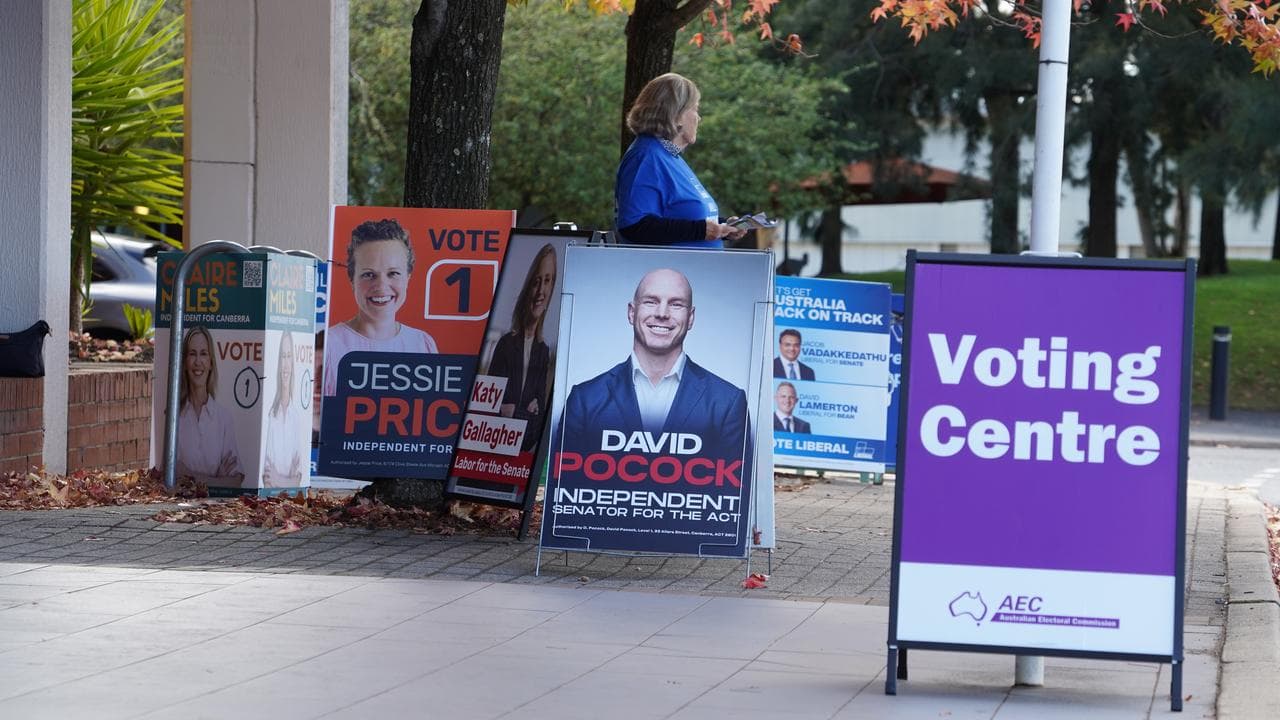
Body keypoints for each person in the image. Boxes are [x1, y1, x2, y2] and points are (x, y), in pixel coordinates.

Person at [557, 268, 749, 455]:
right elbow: (562, 477)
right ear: (632, 312)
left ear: (690, 318)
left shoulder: (728, 403)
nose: (662, 313)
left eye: (676, 304)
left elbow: (738, 483)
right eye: (651, 301)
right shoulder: (584, 400)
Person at [614, 73, 748, 249]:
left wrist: (723, 227)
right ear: (675, 114)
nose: (698, 118)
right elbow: (634, 226)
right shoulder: (646, 156)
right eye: (695, 109)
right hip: (669, 273)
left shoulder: (669, 155)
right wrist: (701, 230)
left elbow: (681, 218)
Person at [324, 218, 438, 395]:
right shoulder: (328, 346)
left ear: (408, 278)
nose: (381, 286)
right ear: (351, 279)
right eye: (369, 274)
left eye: (393, 273)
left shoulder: (423, 345)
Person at [488, 243, 557, 453]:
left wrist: (516, 413)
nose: (541, 291)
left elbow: (537, 424)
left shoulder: (543, 351)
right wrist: (524, 412)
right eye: (537, 282)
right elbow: (495, 407)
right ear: (528, 288)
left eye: (547, 281)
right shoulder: (506, 344)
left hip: (522, 454)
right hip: (495, 450)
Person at [175, 326, 245, 486]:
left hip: (219, 508)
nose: (198, 362)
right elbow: (175, 475)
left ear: (211, 362)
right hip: (179, 507)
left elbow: (235, 480)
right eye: (192, 354)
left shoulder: (224, 418)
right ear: (185, 362)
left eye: (204, 354)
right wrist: (218, 480)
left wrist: (191, 477)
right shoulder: (174, 416)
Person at [263, 331, 306, 487]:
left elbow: (298, 480)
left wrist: (279, 480)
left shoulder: (296, 416)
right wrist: (288, 481)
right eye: (282, 356)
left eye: (289, 356)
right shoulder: (269, 414)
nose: (286, 364)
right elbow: (267, 481)